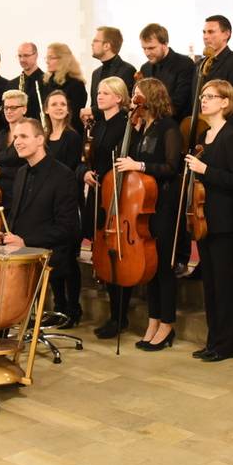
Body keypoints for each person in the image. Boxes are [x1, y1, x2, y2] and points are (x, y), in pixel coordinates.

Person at [114, 78, 182, 351]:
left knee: (163, 268)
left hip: (163, 205)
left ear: (152, 96)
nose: (134, 99)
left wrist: (139, 164)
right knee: (151, 268)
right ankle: (153, 320)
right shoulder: (144, 128)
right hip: (144, 208)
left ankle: (167, 324)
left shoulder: (169, 127)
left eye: (138, 95)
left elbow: (171, 166)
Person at [184, 79, 233, 362]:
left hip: (222, 220)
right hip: (203, 217)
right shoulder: (204, 137)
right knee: (209, 282)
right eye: (202, 96)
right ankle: (213, 339)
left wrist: (204, 169)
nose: (203, 101)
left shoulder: (231, 136)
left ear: (225, 102)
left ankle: (227, 343)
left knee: (223, 282)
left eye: (210, 97)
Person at [0, 119, 80, 306]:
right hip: (22, 255)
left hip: (49, 254)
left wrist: (26, 242)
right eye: (15, 137)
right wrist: (4, 235)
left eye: (23, 136)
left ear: (40, 140)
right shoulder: (22, 172)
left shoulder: (63, 175)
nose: (17, 142)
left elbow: (68, 228)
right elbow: (18, 216)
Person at [77, 77, 131, 339]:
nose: (99, 96)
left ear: (119, 98)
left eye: (106, 93)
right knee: (101, 247)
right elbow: (85, 159)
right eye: (98, 92)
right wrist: (85, 173)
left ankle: (119, 316)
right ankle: (113, 311)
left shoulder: (126, 125)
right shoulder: (96, 126)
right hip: (97, 192)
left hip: (116, 194)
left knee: (116, 252)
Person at [43, 90, 83, 328]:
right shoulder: (45, 136)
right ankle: (58, 307)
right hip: (46, 205)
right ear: (47, 109)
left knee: (67, 259)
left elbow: (68, 170)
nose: (58, 107)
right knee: (52, 257)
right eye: (54, 104)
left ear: (68, 110)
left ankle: (73, 309)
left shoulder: (72, 137)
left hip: (65, 203)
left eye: (63, 104)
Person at [193, 15, 233, 126]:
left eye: (211, 32)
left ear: (226, 34)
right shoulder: (199, 64)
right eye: (204, 32)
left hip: (226, 130)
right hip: (201, 127)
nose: (205, 36)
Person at [139, 23, 195, 120]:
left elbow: (179, 103)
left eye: (151, 48)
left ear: (164, 44)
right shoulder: (145, 68)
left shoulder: (185, 64)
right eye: (144, 48)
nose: (147, 53)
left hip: (177, 125)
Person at [0, 90, 28, 212]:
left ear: (24, 109)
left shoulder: (30, 134)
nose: (8, 111)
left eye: (13, 107)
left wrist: (2, 171)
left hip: (21, 194)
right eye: (6, 108)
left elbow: (32, 169)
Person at [42, 43, 88, 135]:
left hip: (70, 134)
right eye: (47, 58)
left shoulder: (76, 84)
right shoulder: (48, 83)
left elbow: (73, 116)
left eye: (51, 58)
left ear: (63, 59)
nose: (47, 61)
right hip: (51, 133)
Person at [90, 27, 136, 108]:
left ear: (107, 46)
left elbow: (125, 105)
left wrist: (94, 112)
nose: (92, 44)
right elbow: (94, 104)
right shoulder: (96, 73)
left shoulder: (127, 70)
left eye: (96, 41)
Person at [9, 42, 45, 123]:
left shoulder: (48, 82)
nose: (22, 60)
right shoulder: (11, 85)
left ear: (36, 55)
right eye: (20, 56)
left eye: (26, 55)